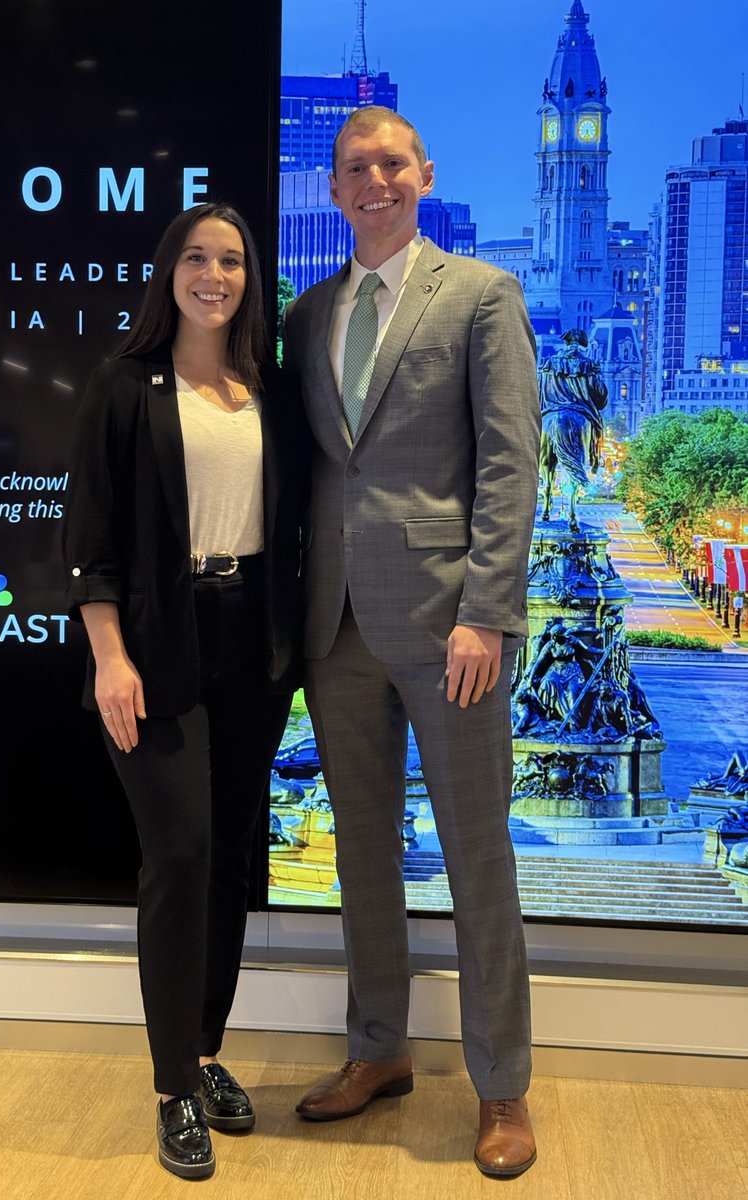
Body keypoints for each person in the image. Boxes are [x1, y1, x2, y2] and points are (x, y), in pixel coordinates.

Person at [282, 107, 541, 1177]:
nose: (373, 180)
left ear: (423, 175)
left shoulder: (482, 295)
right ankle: (378, 1051)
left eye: (391, 163)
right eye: (354, 168)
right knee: (362, 854)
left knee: (478, 856)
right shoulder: (306, 315)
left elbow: (510, 465)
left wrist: (488, 610)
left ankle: (503, 1090)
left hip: (452, 629)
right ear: (334, 189)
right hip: (334, 624)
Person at [61, 202, 304, 1180]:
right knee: (180, 851)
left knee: (230, 860)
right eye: (198, 259)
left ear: (250, 280)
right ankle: (172, 1090)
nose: (216, 275)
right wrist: (108, 655)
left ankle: (204, 1055)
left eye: (233, 261)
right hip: (157, 639)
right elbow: (89, 538)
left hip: (255, 640)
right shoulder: (123, 387)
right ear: (170, 273)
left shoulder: (268, 389)